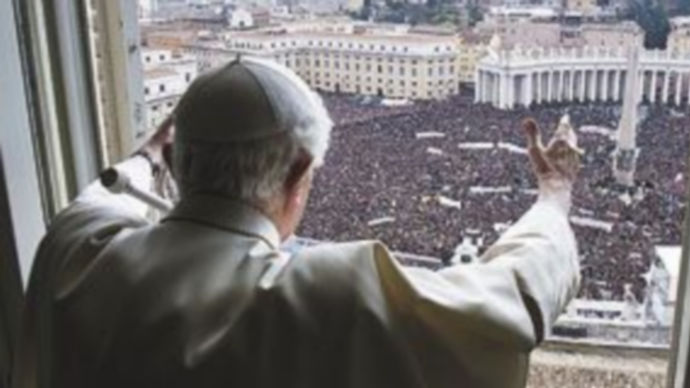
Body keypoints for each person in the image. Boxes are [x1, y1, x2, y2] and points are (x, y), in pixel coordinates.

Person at [14, 57, 582, 388]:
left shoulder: (74, 249)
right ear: (300, 175)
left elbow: (102, 198)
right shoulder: (330, 297)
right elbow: (513, 303)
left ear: (179, 162)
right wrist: (553, 199)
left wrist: (148, 157)